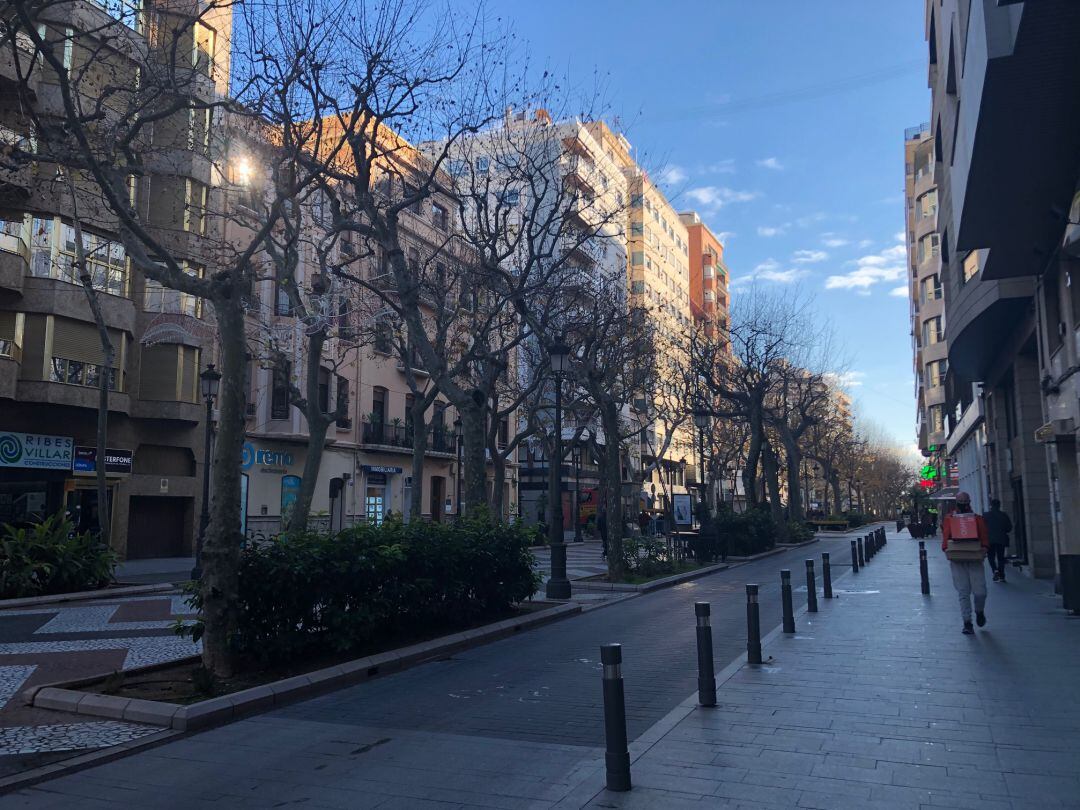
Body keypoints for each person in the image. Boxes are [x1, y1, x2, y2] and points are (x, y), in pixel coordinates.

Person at [941, 491, 990, 635]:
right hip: (957, 559)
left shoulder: (977, 519)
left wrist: (984, 549)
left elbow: (984, 537)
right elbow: (945, 538)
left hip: (974, 558)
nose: (963, 504)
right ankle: (967, 622)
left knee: (980, 592)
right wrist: (947, 549)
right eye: (960, 502)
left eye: (965, 502)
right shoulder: (950, 519)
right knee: (963, 592)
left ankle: (979, 611)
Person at [982, 498, 1013, 582]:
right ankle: (1002, 575)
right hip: (1001, 539)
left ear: (991, 506)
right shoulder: (1004, 515)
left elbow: (982, 528)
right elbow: (1009, 528)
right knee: (1001, 558)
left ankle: (995, 570)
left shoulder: (985, 515)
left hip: (989, 540)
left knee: (991, 556)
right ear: (999, 505)